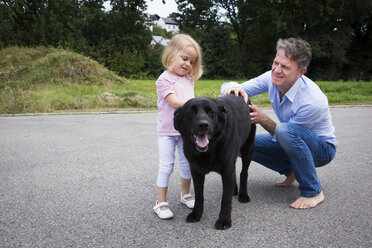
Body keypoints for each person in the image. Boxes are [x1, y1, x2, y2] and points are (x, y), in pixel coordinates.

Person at [221, 38, 338, 209]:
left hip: (322, 149)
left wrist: (263, 120)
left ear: (301, 72)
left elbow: (286, 136)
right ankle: (292, 171)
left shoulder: (312, 101)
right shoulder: (271, 77)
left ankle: (313, 191)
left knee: (285, 131)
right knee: (236, 145)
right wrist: (233, 89)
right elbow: (236, 87)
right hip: (291, 140)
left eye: (285, 67)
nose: (276, 70)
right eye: (276, 62)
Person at [153, 34, 203, 219]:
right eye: (184, 58)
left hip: (185, 132)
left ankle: (185, 194)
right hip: (167, 132)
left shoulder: (189, 79)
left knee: (187, 164)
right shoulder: (164, 80)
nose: (188, 64)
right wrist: (196, 103)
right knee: (166, 166)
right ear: (172, 54)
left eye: (192, 61)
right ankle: (161, 202)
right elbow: (174, 102)